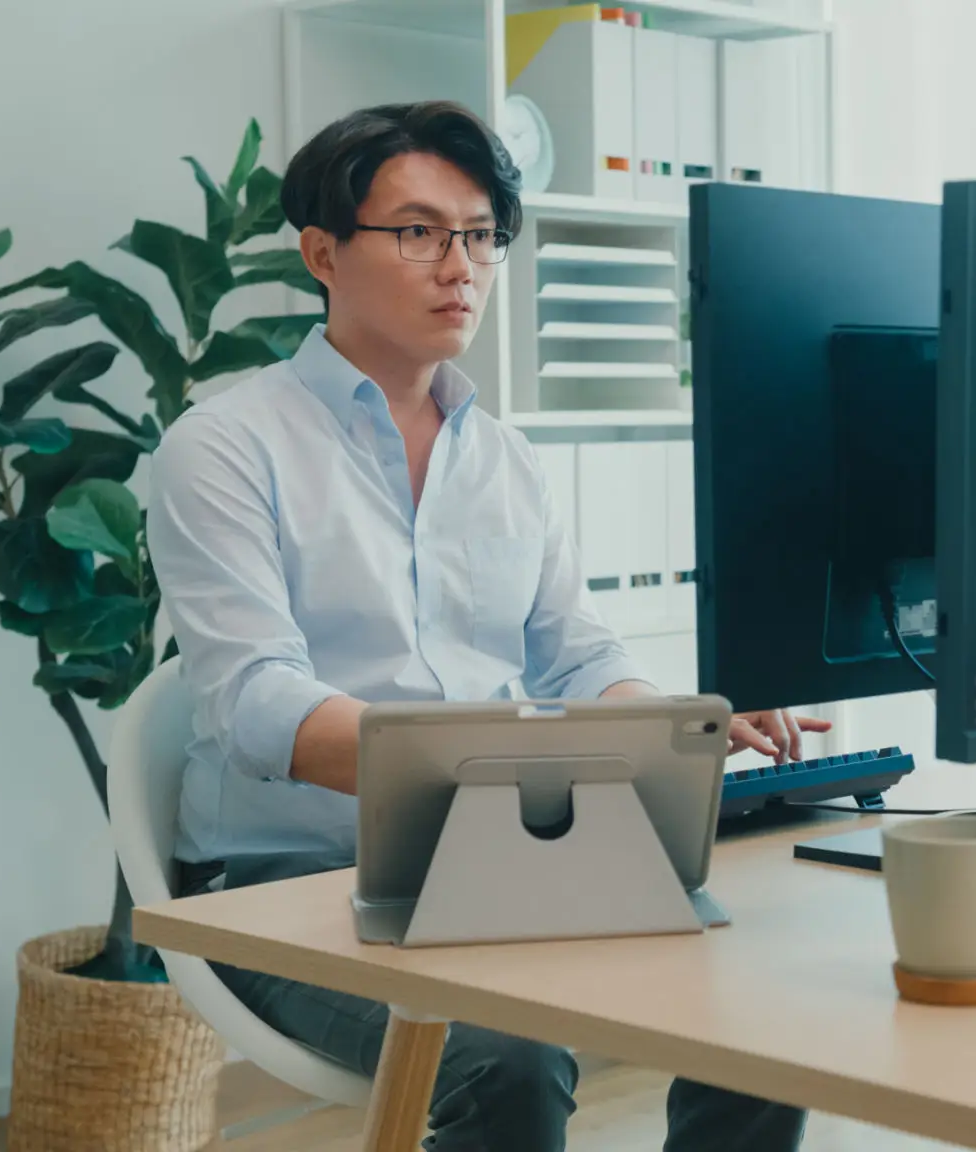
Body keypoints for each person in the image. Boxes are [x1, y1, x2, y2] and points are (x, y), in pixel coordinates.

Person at [148, 100, 816, 1151]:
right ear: (322, 251)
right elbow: (254, 704)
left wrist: (669, 731)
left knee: (768, 1004)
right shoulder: (224, 446)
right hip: (291, 890)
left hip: (505, 867)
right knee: (503, 1054)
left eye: (480, 235)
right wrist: (497, 769)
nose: (459, 265)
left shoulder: (504, 457)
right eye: (417, 232)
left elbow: (578, 651)